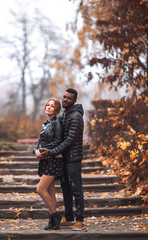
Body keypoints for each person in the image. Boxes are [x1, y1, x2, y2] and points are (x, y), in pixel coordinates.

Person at [40, 88, 85, 231]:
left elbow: (69, 141)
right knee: (65, 189)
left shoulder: (76, 117)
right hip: (63, 159)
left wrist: (51, 152)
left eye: (69, 98)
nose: (65, 100)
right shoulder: (63, 115)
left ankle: (80, 220)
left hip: (73, 158)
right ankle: (69, 218)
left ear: (74, 101)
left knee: (76, 189)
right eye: (64, 97)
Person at [33, 98, 64, 230]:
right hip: (45, 160)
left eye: (52, 106)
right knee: (50, 191)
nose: (49, 107)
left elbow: (58, 141)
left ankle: (55, 215)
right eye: (47, 105)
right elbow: (39, 141)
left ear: (56, 110)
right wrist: (35, 150)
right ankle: (53, 221)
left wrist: (44, 150)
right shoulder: (45, 124)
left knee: (40, 189)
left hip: (54, 159)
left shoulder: (57, 122)